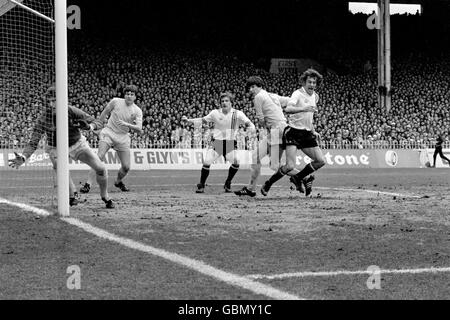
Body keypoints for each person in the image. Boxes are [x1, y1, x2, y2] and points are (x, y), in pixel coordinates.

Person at [8, 86, 114, 209]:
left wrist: (88, 127)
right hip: (55, 147)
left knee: (101, 169)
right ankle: (72, 195)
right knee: (59, 166)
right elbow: (33, 142)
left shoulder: (72, 111)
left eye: (55, 100)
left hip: (77, 144)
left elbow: (98, 122)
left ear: (62, 100)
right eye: (50, 101)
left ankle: (104, 196)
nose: (52, 104)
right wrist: (24, 156)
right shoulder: (43, 118)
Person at [234, 76, 303, 197]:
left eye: (252, 87)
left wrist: (264, 123)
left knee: (273, 165)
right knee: (259, 158)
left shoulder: (258, 97)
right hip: (281, 129)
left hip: (276, 131)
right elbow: (289, 101)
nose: (250, 90)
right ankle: (251, 189)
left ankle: (305, 177)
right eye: (249, 87)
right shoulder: (273, 95)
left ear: (258, 86)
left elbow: (261, 121)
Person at [262, 68, 326, 197]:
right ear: (304, 82)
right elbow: (288, 108)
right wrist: (304, 108)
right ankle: (268, 183)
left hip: (307, 133)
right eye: (310, 82)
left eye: (314, 82)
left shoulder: (315, 96)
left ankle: (299, 177)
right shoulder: (297, 94)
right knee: (290, 166)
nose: (312, 85)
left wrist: (314, 130)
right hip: (294, 133)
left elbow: (309, 117)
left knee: (320, 161)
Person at [182, 92, 255, 193]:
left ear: (231, 102)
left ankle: (228, 183)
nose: (224, 103)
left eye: (226, 101)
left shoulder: (238, 114)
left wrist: (251, 128)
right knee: (207, 162)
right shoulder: (215, 113)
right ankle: (201, 185)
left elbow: (249, 123)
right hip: (217, 143)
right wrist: (188, 121)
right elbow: (202, 120)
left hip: (230, 144)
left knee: (236, 162)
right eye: (222, 101)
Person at [80, 85, 143, 194]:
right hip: (109, 132)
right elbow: (105, 112)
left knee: (126, 167)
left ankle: (118, 182)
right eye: (127, 94)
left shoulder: (137, 111)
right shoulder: (116, 101)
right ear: (124, 95)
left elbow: (139, 129)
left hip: (123, 136)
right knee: (99, 157)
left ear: (135, 97)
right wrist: (98, 124)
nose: (129, 96)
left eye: (132, 94)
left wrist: (127, 124)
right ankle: (88, 184)